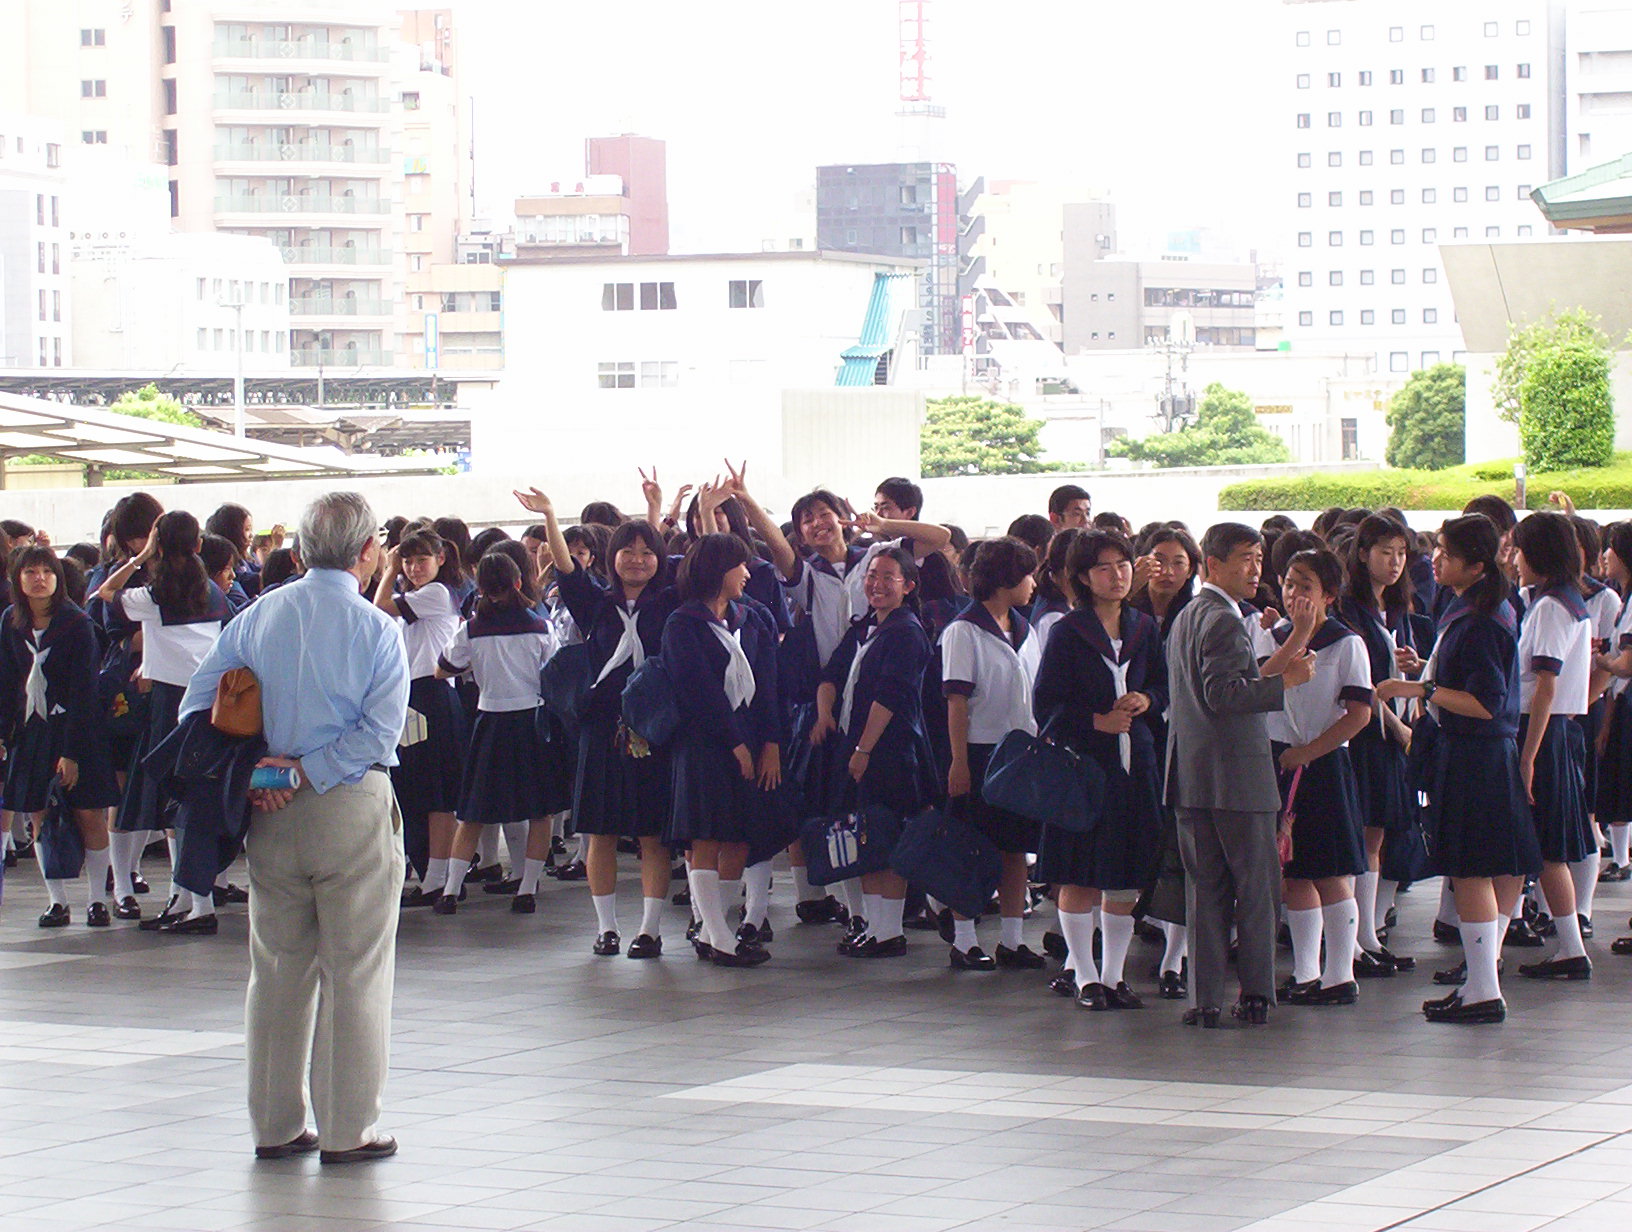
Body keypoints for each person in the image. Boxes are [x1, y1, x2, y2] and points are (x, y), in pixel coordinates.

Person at [180, 491, 408, 1163]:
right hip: (349, 808)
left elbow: (197, 707)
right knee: (355, 971)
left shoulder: (255, 617)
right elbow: (379, 734)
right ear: (369, 552)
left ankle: (275, 1126)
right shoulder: (376, 629)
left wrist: (264, 773)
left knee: (277, 969)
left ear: (300, 550)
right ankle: (348, 1129)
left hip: (267, 815)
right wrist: (304, 772)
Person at [1379, 514, 1540, 1023]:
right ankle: (1480, 981)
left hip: (1475, 756)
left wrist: (1418, 689)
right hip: (1480, 756)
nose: (1434, 559)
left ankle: (1483, 990)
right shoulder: (1474, 608)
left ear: (1475, 564)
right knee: (1494, 867)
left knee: (1471, 870)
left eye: (1445, 552)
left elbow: (1486, 702)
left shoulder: (1479, 620)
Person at [517, 486, 681, 956]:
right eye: (627, 551)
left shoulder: (670, 602)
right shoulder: (596, 603)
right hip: (602, 727)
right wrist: (550, 512)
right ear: (611, 558)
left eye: (647, 552)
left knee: (652, 833)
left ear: (659, 560)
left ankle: (649, 929)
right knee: (601, 831)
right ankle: (606, 927)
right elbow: (566, 567)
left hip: (653, 729)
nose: (636, 559)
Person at [1164, 523, 1314, 1028]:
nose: (1257, 568)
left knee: (1203, 890)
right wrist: (1285, 682)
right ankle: (1255, 993)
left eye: (1259, 557)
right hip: (1239, 778)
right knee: (1255, 888)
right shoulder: (1225, 620)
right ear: (1213, 564)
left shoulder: (1187, 615)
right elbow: (1224, 695)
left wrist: (1287, 653)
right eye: (1246, 558)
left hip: (1191, 775)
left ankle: (1203, 1000)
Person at [1033, 530, 1167, 1010]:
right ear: (1084, 577)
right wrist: (1096, 721)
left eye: (1124, 565)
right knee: (1079, 875)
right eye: (1105, 568)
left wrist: (1146, 699)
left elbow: (1164, 686)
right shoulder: (1068, 631)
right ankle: (1085, 975)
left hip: (1137, 764)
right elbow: (1046, 702)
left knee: (1125, 875)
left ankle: (1113, 975)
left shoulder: (1143, 626)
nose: (1118, 576)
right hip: (1085, 768)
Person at [96, 509, 232, 933]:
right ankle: (189, 897)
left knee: (168, 800)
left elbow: (105, 592)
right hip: (210, 704)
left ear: (159, 543)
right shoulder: (211, 590)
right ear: (197, 545)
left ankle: (195, 903)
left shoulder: (153, 596)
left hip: (170, 703)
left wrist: (139, 559)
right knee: (191, 803)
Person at [1256, 547, 1372, 1008]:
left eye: (1305, 585)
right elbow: (1260, 683)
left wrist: (1309, 751)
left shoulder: (1347, 643)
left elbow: (1359, 714)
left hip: (1323, 764)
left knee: (1331, 871)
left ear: (1329, 593)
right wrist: (1295, 635)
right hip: (1280, 762)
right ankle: (1306, 970)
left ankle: (1340, 973)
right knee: (1294, 874)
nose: (1293, 593)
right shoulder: (1275, 636)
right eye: (1287, 583)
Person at [662, 533, 784, 968]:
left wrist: (769, 742)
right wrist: (734, 744)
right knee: (706, 835)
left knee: (738, 836)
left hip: (750, 735)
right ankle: (716, 934)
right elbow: (698, 692)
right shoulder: (682, 623)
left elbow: (770, 683)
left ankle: (720, 929)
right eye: (740, 566)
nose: (747, 574)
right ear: (718, 571)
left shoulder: (751, 618)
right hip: (704, 742)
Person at [810, 547, 938, 958]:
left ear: (908, 586)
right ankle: (869, 925)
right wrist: (824, 712)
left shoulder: (907, 632)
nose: (877, 585)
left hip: (889, 749)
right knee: (861, 835)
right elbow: (831, 673)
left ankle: (888, 931)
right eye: (871, 575)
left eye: (888, 577)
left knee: (883, 838)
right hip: (853, 742)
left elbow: (891, 697)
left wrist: (864, 748)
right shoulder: (866, 627)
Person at [433, 552, 562, 915]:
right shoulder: (540, 628)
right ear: (519, 583)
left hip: (490, 721)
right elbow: (552, 675)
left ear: (481, 588)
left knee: (473, 812)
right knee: (540, 812)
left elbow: (443, 669)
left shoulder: (471, 629)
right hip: (532, 722)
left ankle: (450, 890)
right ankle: (526, 888)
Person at [0, 546, 120, 928]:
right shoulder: (10, 622)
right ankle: (57, 900)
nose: (39, 579)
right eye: (30, 572)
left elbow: (85, 690)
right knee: (39, 811)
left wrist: (71, 752)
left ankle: (98, 899)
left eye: (47, 572)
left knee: (88, 812)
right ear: (17, 579)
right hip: (31, 730)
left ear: (59, 578)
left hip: (76, 730)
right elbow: (5, 684)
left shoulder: (76, 623)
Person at [940, 536, 1045, 971]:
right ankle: (964, 939)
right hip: (981, 752)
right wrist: (959, 761)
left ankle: (1012, 940)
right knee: (972, 848)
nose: (1033, 583)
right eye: (1026, 574)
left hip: (1021, 752)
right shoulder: (963, 631)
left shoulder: (1025, 628)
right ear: (1004, 580)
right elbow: (957, 701)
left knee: (1015, 849)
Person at [1336, 514, 1425, 975]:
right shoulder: (1351, 609)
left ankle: (1367, 933)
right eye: (1385, 552)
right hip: (1369, 734)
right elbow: (1362, 683)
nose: (1394, 562)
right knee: (1363, 832)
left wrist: (1407, 667)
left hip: (1385, 733)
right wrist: (1399, 727)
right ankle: (1354, 939)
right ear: (1363, 554)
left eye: (1402, 553)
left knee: (1377, 834)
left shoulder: (1392, 607)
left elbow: (1384, 676)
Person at [1509, 511, 1595, 982]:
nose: (1514, 559)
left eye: (1519, 549)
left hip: (1541, 732)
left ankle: (1569, 948)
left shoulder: (1550, 607)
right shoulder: (1565, 599)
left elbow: (1544, 685)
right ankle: (1566, 946)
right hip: (1554, 730)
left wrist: (1527, 756)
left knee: (1545, 847)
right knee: (1545, 847)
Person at [375, 529, 467, 908]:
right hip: (416, 695)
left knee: (437, 793)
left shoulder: (437, 593)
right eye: (408, 561)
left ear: (441, 558)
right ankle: (433, 874)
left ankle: (437, 878)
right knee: (419, 789)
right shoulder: (422, 595)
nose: (413, 568)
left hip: (433, 694)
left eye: (421, 560)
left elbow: (380, 605)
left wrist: (389, 566)